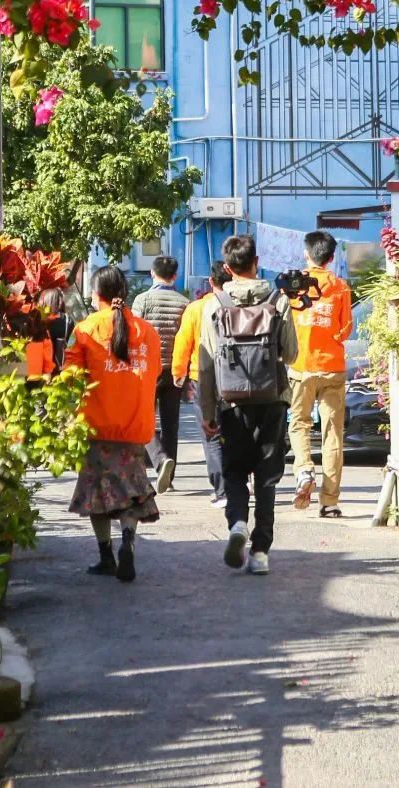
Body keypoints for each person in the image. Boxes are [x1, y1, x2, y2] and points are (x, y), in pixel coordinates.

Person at [197, 234, 297, 575]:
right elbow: (293, 353)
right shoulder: (277, 300)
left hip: (230, 402)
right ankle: (260, 553)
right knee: (267, 479)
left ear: (228, 268)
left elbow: (206, 363)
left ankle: (237, 523)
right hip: (272, 401)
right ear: (257, 262)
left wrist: (207, 411)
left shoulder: (214, 304)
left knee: (235, 472)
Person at [64, 265, 161, 583]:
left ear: (96, 294)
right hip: (135, 427)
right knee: (131, 492)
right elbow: (154, 372)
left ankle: (106, 555)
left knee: (98, 494)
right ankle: (128, 541)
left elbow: (70, 378)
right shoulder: (146, 331)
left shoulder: (85, 329)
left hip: (96, 427)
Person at [288, 230, 353, 517]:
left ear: (307, 253)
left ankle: (303, 470)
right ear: (331, 257)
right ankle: (330, 501)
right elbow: (345, 329)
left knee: (299, 423)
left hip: (301, 366)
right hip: (333, 368)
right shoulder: (340, 287)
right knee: (332, 434)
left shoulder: (293, 286)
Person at [172, 262, 231, 505]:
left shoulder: (196, 308)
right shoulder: (237, 305)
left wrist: (178, 371)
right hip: (236, 377)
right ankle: (241, 483)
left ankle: (222, 491)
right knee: (234, 431)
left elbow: (184, 340)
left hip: (201, 376)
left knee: (211, 433)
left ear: (210, 281)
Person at [132, 255, 189, 492]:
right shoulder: (184, 303)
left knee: (143, 419)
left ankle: (154, 463)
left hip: (147, 370)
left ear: (152, 274)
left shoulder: (142, 300)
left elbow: (134, 333)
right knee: (171, 424)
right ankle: (169, 477)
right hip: (174, 370)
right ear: (175, 276)